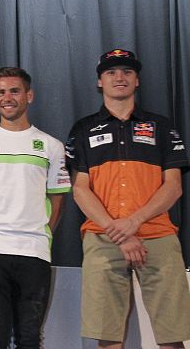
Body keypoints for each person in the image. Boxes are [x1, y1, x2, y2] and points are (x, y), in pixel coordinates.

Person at [66, 49, 190, 349]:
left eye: (127, 71)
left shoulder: (162, 127)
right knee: (108, 337)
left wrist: (134, 222)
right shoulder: (83, 129)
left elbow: (174, 187)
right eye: (111, 72)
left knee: (172, 337)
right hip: (102, 239)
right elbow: (80, 190)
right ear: (100, 81)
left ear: (137, 80)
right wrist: (118, 232)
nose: (119, 77)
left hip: (158, 237)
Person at [0, 67, 70, 349]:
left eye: (14, 91)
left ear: (29, 95)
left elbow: (58, 199)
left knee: (29, 339)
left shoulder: (51, 146)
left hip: (33, 252)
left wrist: (41, 234)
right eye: (1, 92)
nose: (7, 98)